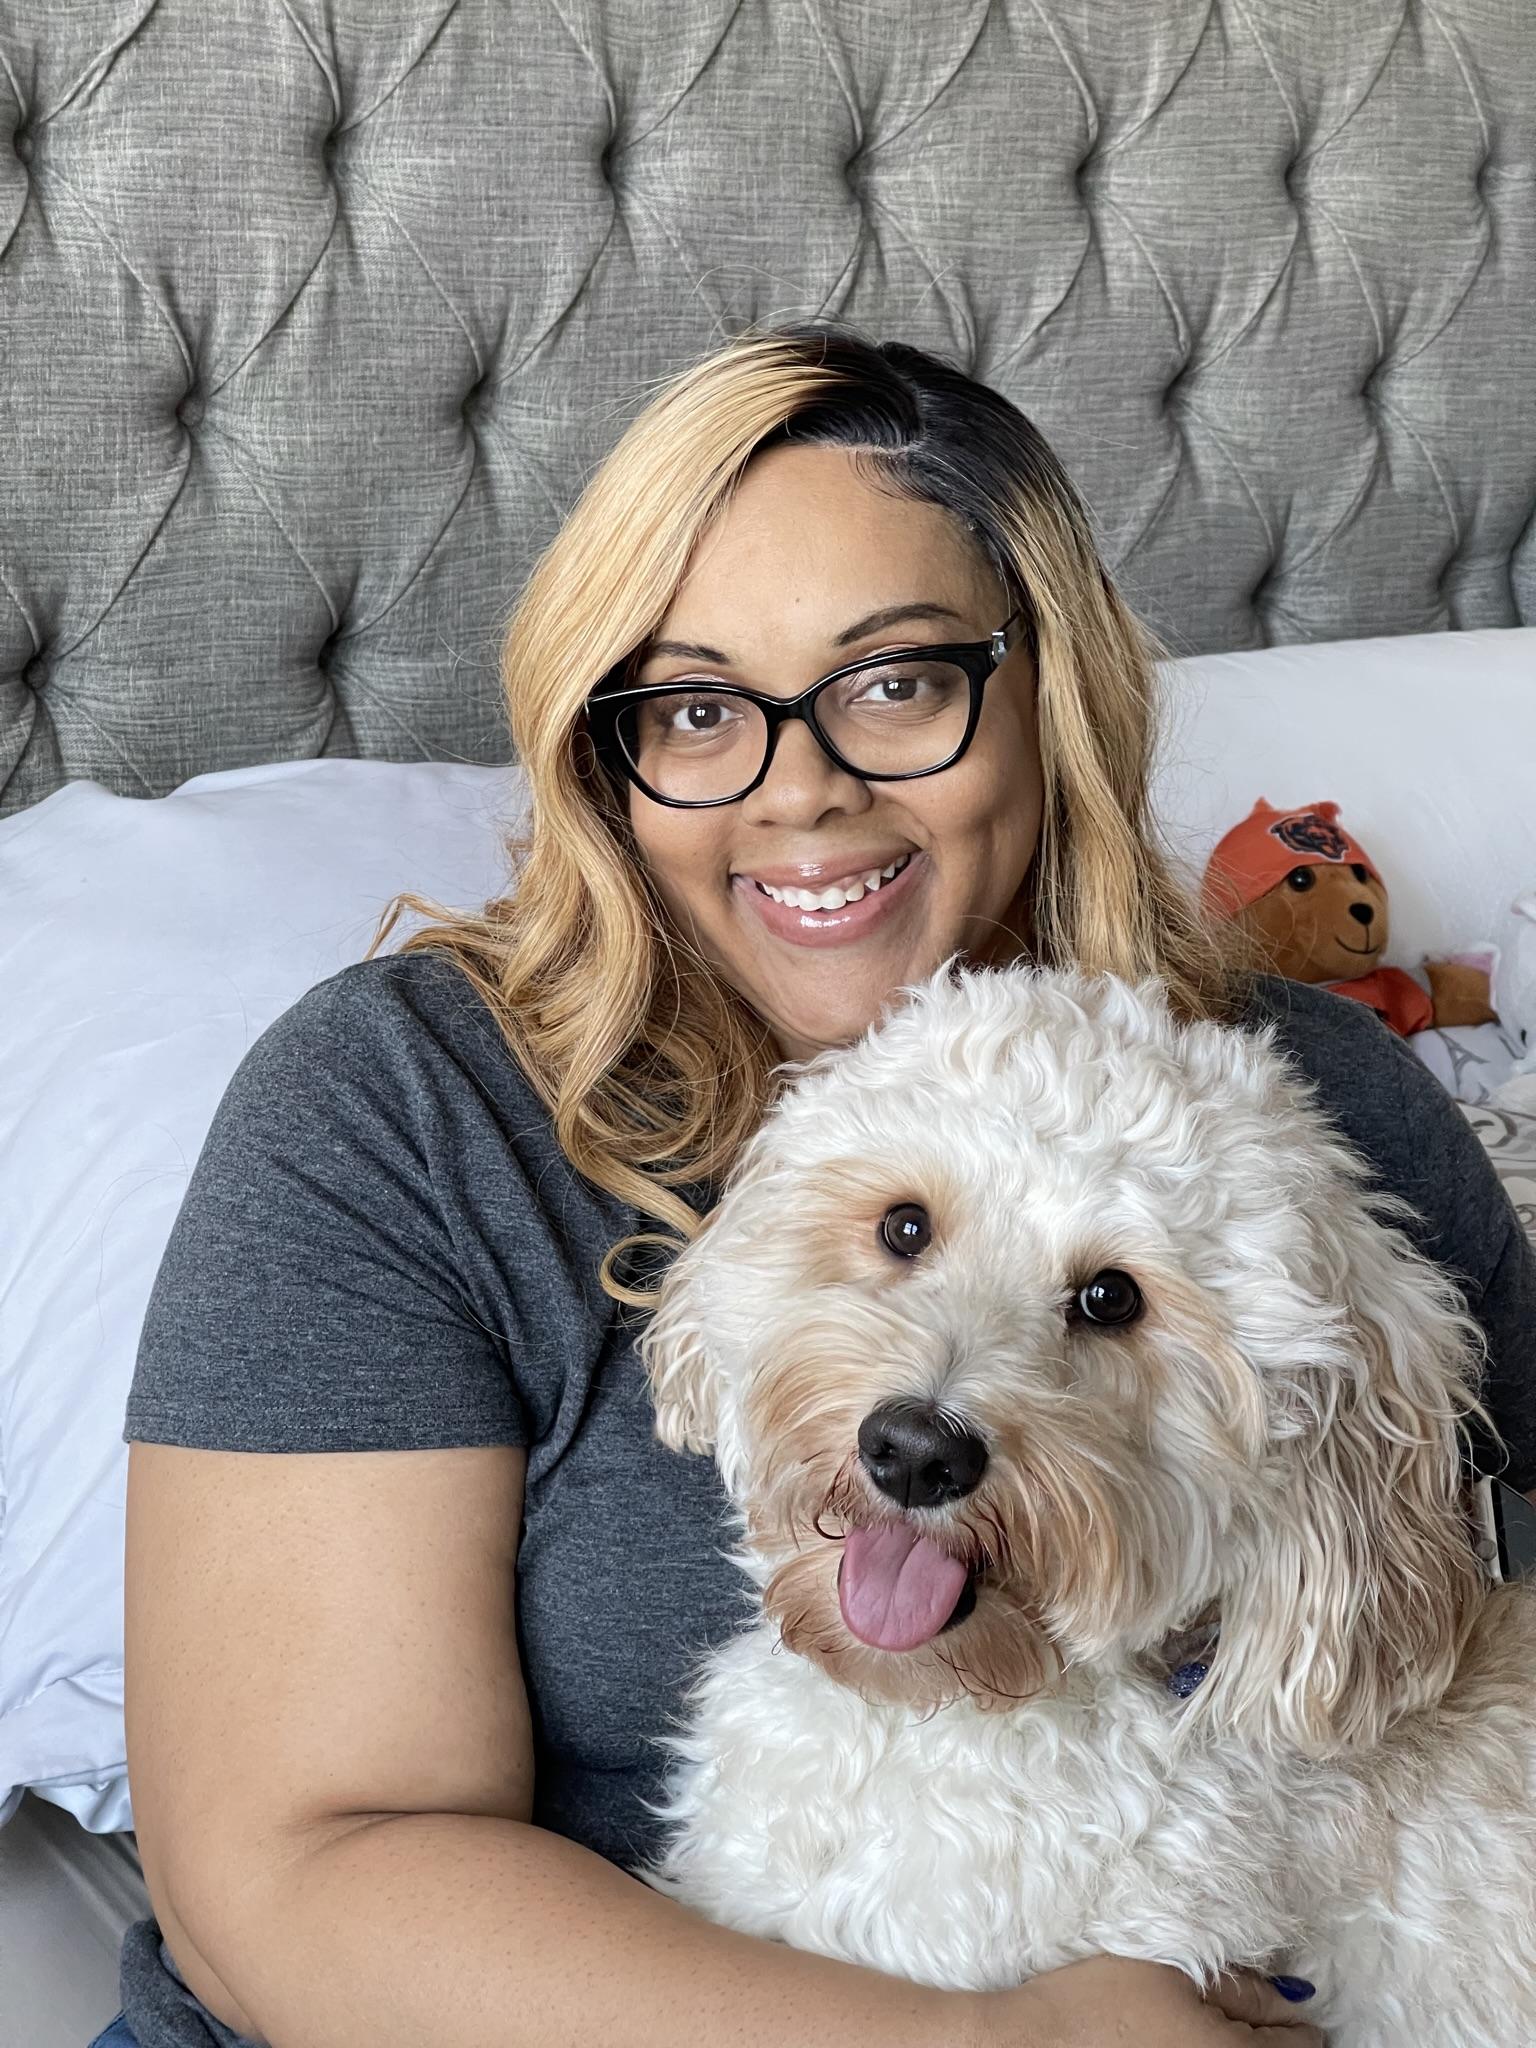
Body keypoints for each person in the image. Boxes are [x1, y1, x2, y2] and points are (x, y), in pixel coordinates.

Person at [103, 321, 1536, 2048]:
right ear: (608, 751)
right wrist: (996, 2047)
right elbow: (283, 1886)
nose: (803, 793)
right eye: (697, 708)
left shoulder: (1318, 1108)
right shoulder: (400, 1109)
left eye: (896, 681)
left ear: (1050, 688)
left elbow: (1441, 1634)